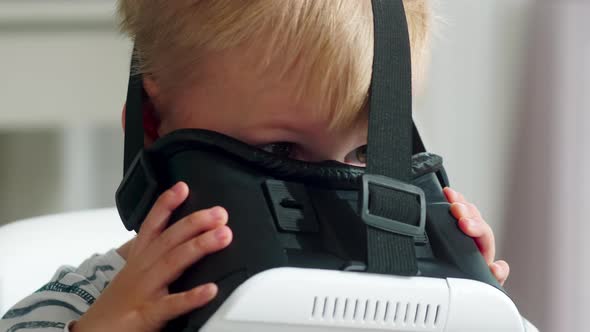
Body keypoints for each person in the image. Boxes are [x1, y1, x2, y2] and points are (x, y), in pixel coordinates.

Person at [0, 1, 510, 331]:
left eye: (368, 155)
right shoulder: (91, 303)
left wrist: (470, 310)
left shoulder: (389, 304)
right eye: (282, 152)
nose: (339, 202)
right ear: (154, 127)